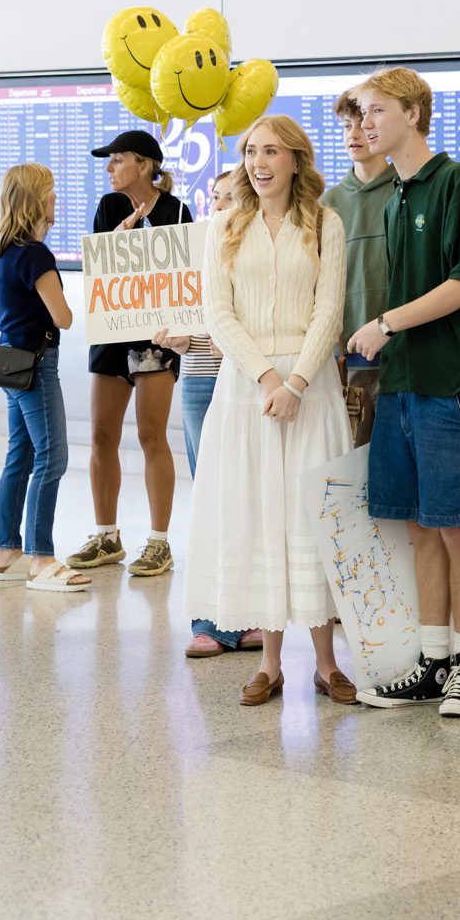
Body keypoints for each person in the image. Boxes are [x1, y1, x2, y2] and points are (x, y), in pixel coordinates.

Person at [347, 67, 460, 717]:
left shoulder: (458, 182)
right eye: (360, 113)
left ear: (414, 113)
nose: (365, 122)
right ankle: (432, 660)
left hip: (453, 383)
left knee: (454, 526)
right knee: (419, 525)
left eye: (376, 110)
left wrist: (387, 322)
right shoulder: (394, 195)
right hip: (403, 382)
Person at [182, 118, 355, 706]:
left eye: (270, 151)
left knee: (313, 521)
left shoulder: (325, 223)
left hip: (312, 390)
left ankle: (328, 664)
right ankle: (271, 664)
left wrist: (298, 381)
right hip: (247, 392)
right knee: (260, 518)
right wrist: (268, 378)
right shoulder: (225, 226)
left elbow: (329, 311)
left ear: (295, 160)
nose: (258, 162)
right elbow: (218, 314)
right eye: (251, 152)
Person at [70, 129, 189, 577]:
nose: (109, 168)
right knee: (101, 435)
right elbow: (98, 270)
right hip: (112, 332)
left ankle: (159, 542)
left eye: (117, 159)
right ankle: (106, 535)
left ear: (144, 165)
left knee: (150, 435)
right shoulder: (109, 206)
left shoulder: (178, 210)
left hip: (155, 336)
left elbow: (183, 276)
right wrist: (118, 240)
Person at [158, 178, 264, 659]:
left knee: (249, 499)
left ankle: (247, 618)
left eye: (226, 197)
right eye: (215, 197)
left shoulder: (257, 250)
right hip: (202, 382)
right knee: (211, 499)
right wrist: (178, 339)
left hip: (249, 380)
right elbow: (194, 321)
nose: (216, 205)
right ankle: (208, 622)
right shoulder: (197, 251)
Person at [0, 164, 85, 592]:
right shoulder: (37, 255)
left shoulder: (0, 247)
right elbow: (62, 317)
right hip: (37, 366)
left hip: (10, 363)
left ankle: (7, 545)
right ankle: (42, 557)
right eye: (51, 192)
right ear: (34, 200)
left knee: (20, 454)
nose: (56, 200)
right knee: (53, 456)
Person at [322, 84, 397, 446]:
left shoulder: (405, 189)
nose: (355, 134)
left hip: (402, 355)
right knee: (350, 473)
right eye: (347, 126)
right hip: (347, 360)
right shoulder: (329, 202)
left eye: (362, 123)